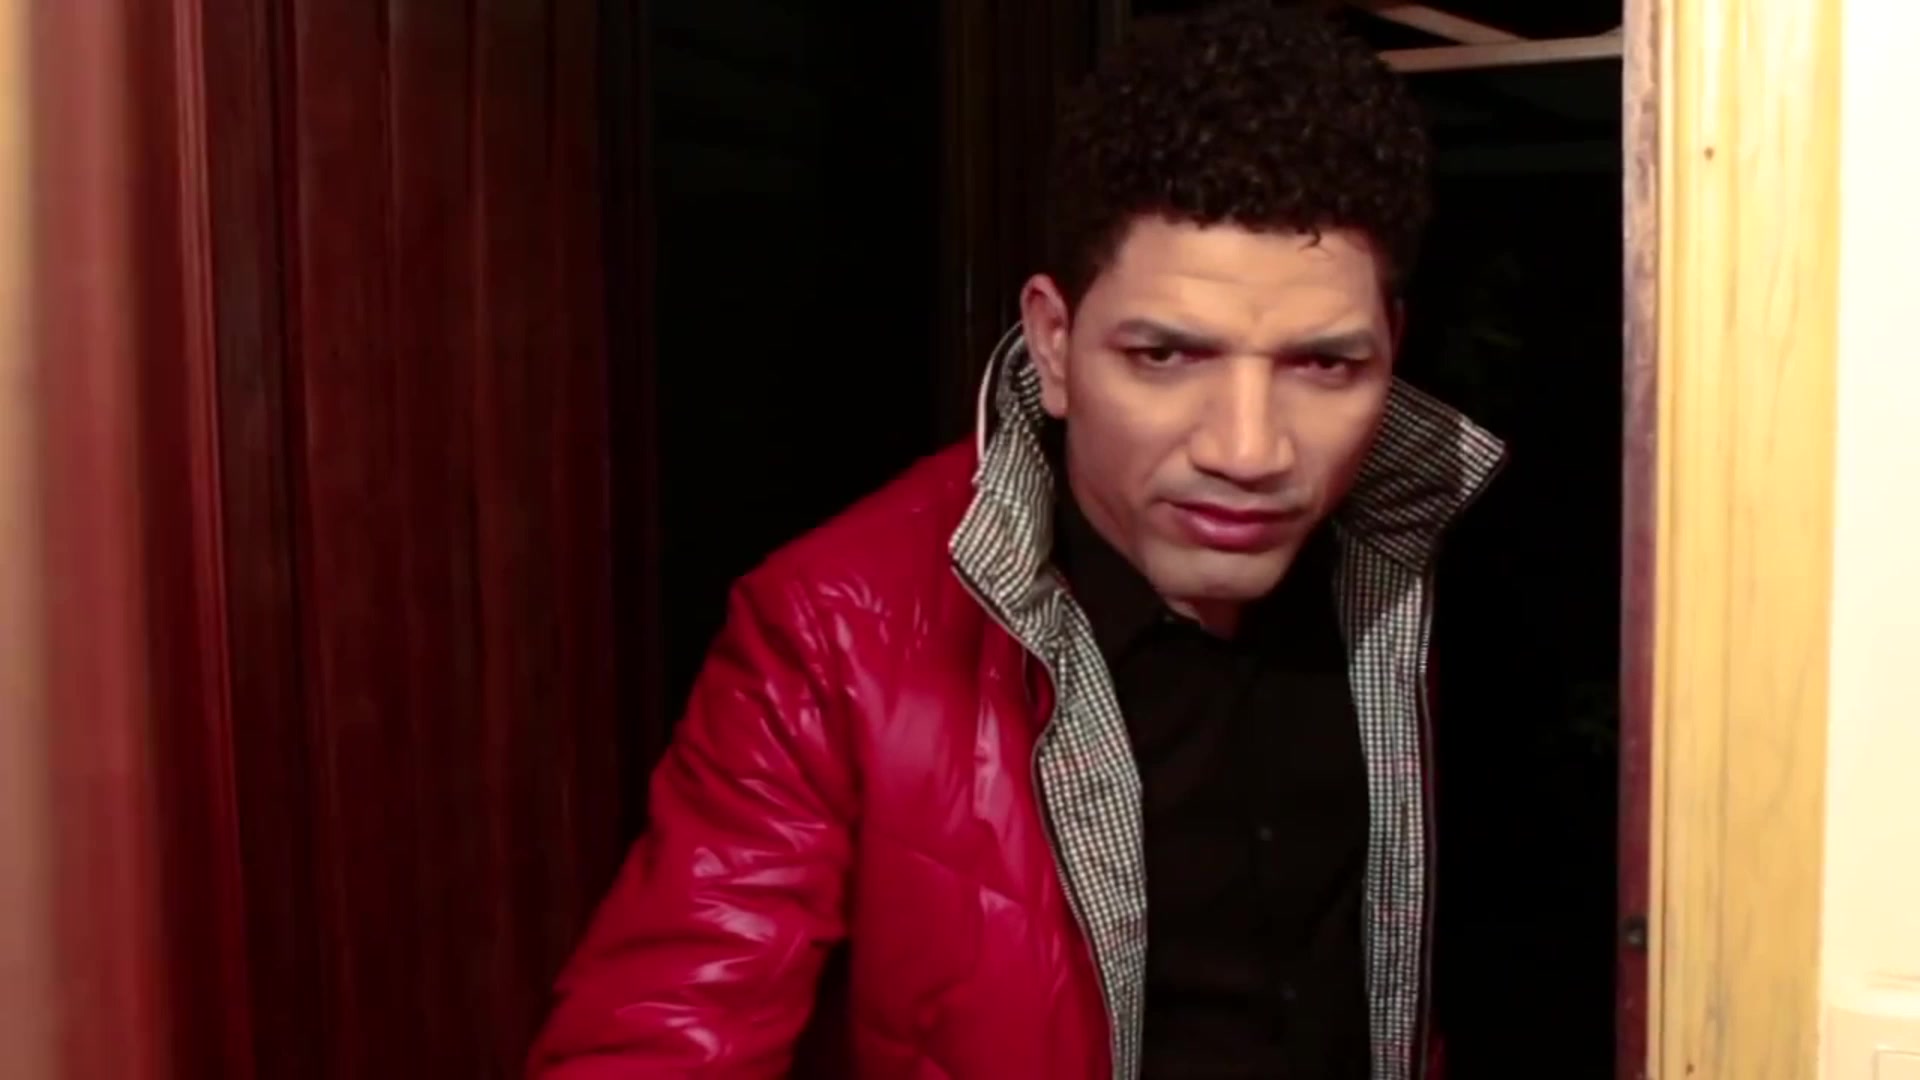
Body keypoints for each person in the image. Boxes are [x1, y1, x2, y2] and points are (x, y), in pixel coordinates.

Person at [529, 4, 1502, 1078]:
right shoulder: (835, 634)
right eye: (1165, 356)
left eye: (1323, 366)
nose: (1247, 449)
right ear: (1054, 343)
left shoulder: (1417, 564)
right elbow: (655, 1039)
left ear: (1391, 351)